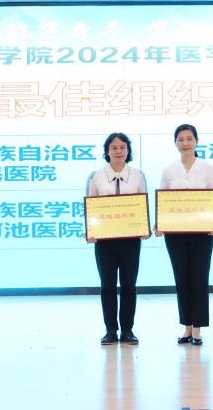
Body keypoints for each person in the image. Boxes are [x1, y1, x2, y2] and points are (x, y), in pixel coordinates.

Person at [157, 124, 213, 346]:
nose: (185, 143)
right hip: (175, 234)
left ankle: (198, 329)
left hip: (202, 233)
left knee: (199, 279)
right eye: (181, 139)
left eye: (189, 138)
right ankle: (187, 327)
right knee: (181, 279)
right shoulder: (169, 171)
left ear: (197, 141)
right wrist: (160, 223)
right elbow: (163, 200)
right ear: (175, 143)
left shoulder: (208, 168)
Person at [87, 132, 148, 346]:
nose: (118, 151)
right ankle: (110, 330)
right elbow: (91, 205)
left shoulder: (138, 175)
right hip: (105, 240)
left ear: (128, 150)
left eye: (122, 147)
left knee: (129, 285)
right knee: (108, 286)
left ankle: (128, 330)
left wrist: (144, 226)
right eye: (114, 147)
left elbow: (143, 203)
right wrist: (90, 229)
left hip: (131, 240)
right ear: (107, 151)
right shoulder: (96, 176)